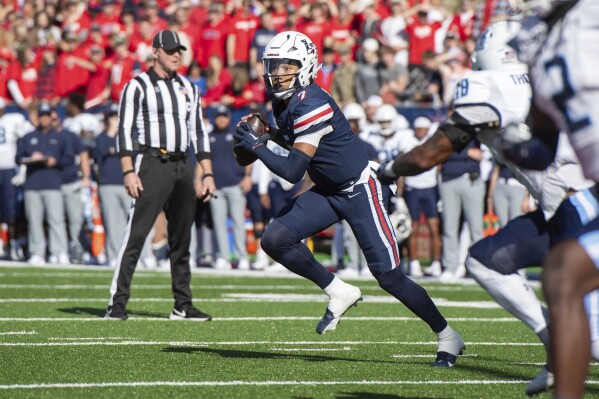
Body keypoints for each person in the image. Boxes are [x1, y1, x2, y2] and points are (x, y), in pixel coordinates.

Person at [376, 19, 599, 396]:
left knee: (590, 335)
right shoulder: (549, 74)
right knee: (486, 258)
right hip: (565, 205)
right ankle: (556, 350)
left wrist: (388, 169)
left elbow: (433, 152)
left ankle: (562, 350)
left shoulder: (488, 84)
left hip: (579, 205)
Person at [233, 31, 464, 367]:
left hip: (359, 190)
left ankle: (448, 336)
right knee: (275, 238)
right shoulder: (285, 101)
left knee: (389, 277)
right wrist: (269, 135)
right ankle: (338, 289)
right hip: (329, 190)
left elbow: (294, 169)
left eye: (285, 65)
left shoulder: (312, 103)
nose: (276, 72)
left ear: (306, 66)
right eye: (274, 65)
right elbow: (296, 146)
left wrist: (258, 146)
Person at [494, 1, 599, 397]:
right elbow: (543, 145)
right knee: (563, 274)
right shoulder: (535, 40)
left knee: (564, 274)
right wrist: (511, 147)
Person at [105, 29, 215, 322]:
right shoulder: (137, 86)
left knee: (181, 238)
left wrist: (207, 173)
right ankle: (117, 303)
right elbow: (124, 130)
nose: (175, 54)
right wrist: (128, 169)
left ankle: (182, 304)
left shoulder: (189, 88)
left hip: (182, 166)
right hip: (152, 162)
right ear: (155, 52)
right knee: (137, 234)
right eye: (169, 50)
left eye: (178, 49)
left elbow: (199, 132)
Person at [16, 103, 70, 265]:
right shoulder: (28, 136)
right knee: (34, 220)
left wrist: (55, 161)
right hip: (33, 183)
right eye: (42, 116)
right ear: (38, 117)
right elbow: (18, 158)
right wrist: (32, 158)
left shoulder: (59, 136)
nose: (44, 119)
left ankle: (59, 251)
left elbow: (68, 158)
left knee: (56, 219)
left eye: (47, 115)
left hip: (52, 182)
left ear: (51, 117)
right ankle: (37, 252)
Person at [208, 105, 252, 271]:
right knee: (219, 224)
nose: (221, 119)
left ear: (228, 117)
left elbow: (249, 155)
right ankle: (223, 257)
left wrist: (247, 176)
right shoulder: (209, 136)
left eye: (224, 116)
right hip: (216, 186)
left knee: (238, 222)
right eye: (218, 116)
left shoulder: (237, 134)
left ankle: (243, 257)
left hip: (235, 184)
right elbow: (204, 160)